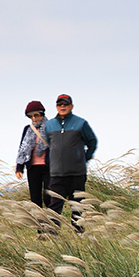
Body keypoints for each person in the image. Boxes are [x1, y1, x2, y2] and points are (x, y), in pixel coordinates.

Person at [43, 94, 97, 233]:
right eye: (60, 104)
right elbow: (50, 144)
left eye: (65, 104)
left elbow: (92, 141)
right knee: (54, 204)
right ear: (56, 107)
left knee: (77, 205)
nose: (62, 107)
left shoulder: (81, 123)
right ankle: (52, 233)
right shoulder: (49, 125)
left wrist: (84, 158)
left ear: (71, 106)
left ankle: (79, 232)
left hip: (77, 172)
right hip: (56, 173)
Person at [15, 100, 50, 207]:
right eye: (31, 116)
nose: (34, 118)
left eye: (36, 115)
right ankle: (38, 223)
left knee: (49, 196)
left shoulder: (51, 126)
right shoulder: (28, 129)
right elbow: (22, 148)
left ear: (42, 114)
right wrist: (19, 167)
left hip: (49, 167)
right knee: (35, 198)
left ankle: (52, 222)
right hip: (32, 168)